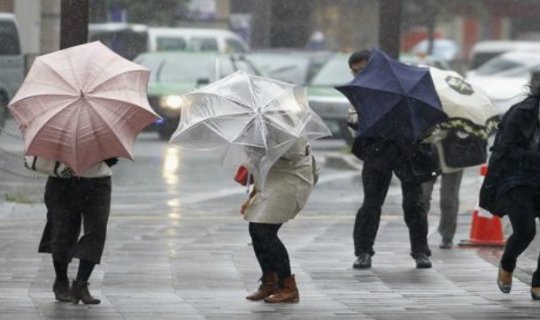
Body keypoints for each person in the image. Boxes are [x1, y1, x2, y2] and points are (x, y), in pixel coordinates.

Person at [347, 50, 435, 269]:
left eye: (362, 69)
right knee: (371, 203)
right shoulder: (361, 92)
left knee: (414, 204)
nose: (358, 74)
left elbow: (428, 123)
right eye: (354, 71)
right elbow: (352, 123)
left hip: (408, 149)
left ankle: (420, 251)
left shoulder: (404, 84)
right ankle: (363, 251)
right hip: (378, 150)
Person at [27, 156, 118, 304]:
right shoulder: (57, 132)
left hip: (98, 179)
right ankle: (61, 280)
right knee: (63, 231)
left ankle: (81, 284)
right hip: (64, 179)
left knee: (97, 231)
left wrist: (111, 156)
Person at [240, 136, 318, 303]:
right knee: (256, 229)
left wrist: (265, 146)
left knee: (264, 230)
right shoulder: (253, 124)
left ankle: (288, 286)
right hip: (270, 180)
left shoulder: (284, 119)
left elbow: (293, 152)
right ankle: (270, 282)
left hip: (291, 176)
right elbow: (257, 157)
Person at [483, 70, 540, 300]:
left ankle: (539, 282)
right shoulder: (522, 112)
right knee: (526, 230)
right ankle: (507, 263)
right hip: (518, 180)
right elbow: (505, 150)